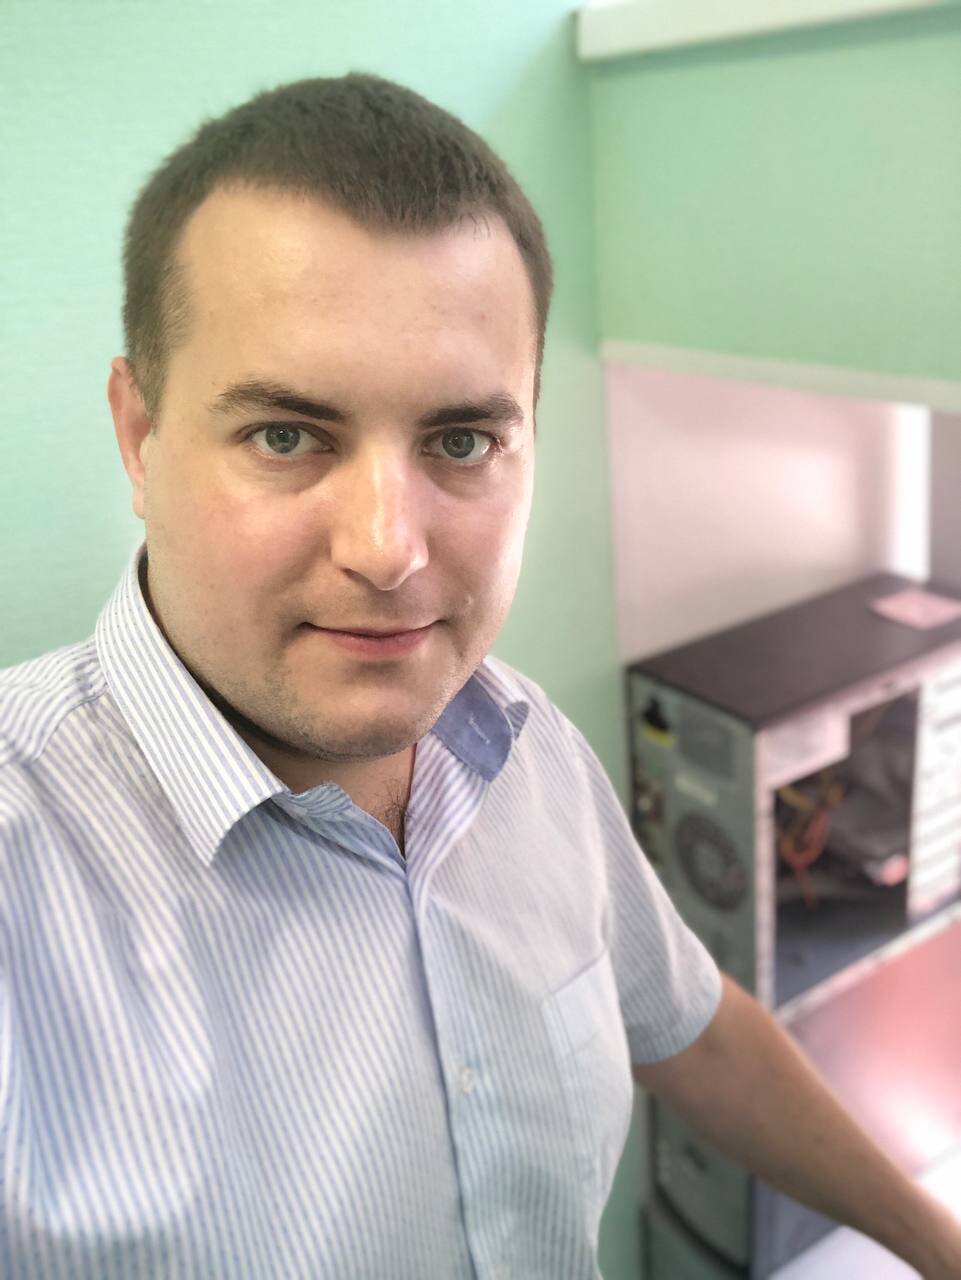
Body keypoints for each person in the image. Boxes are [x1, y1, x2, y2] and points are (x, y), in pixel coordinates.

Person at [0, 73, 958, 1280]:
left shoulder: (522, 744)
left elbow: (693, 1030)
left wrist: (936, 1243)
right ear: (140, 436)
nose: (387, 549)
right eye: (286, 435)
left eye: (460, 440)